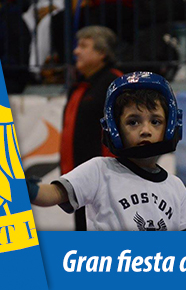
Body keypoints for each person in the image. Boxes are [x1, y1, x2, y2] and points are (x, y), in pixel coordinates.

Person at [29, 72, 186, 231]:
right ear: (115, 129)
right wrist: (26, 190)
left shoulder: (176, 187)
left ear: (169, 126)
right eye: (133, 122)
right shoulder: (99, 171)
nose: (146, 130)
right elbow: (53, 194)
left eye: (155, 121)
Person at [60, 26, 124, 230]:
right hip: (79, 183)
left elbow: (122, 135)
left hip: (107, 185)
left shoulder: (115, 84)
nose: (75, 51)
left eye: (83, 46)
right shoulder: (80, 86)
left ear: (102, 53)